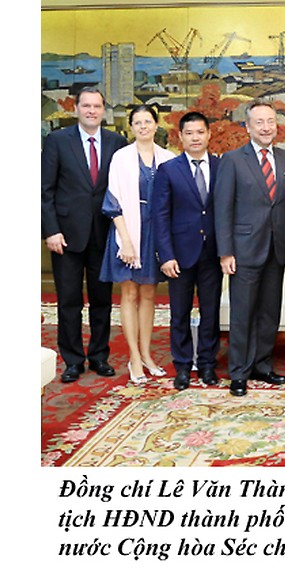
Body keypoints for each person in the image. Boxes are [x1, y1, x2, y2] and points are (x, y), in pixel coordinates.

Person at [41, 87, 127, 383]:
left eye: (97, 106)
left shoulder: (117, 143)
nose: (92, 111)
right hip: (65, 236)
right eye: (86, 106)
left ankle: (99, 356)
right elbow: (45, 190)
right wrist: (51, 230)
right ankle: (73, 360)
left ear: (104, 110)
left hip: (103, 234)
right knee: (69, 301)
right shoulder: (57, 141)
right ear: (76, 109)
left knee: (102, 300)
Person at [214, 99, 285, 397]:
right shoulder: (232, 160)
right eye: (259, 122)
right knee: (243, 313)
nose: (266, 127)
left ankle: (262, 365)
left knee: (269, 312)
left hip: (277, 248)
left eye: (270, 121)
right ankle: (239, 371)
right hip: (244, 249)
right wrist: (225, 251)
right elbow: (222, 208)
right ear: (247, 127)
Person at [99, 105, 175, 384]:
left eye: (148, 121)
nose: (143, 126)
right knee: (129, 294)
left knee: (149, 294)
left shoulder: (168, 158)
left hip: (156, 231)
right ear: (131, 127)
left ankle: (146, 354)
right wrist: (127, 242)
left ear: (156, 125)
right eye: (138, 122)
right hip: (127, 230)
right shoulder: (121, 158)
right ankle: (133, 357)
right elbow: (112, 202)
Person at [153, 111, 222, 390]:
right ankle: (182, 366)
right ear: (180, 137)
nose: (195, 138)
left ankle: (207, 364)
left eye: (200, 132)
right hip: (179, 255)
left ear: (209, 134)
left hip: (213, 253)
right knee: (179, 313)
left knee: (211, 312)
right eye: (189, 133)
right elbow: (160, 216)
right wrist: (166, 255)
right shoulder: (168, 170)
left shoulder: (221, 166)